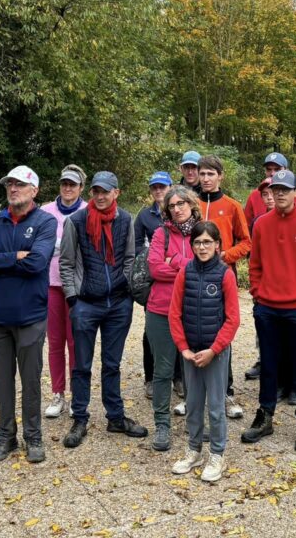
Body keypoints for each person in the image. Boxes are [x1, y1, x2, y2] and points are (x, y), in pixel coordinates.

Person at [0, 166, 57, 463]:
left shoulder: (45, 222)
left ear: (34, 190)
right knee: (1, 380)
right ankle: (5, 435)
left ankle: (33, 436)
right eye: (9, 183)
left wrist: (0, 258)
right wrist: (15, 255)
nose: (13, 189)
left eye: (20, 184)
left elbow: (37, 263)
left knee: (31, 381)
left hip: (31, 315)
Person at [59, 171, 146, 447]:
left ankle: (115, 417)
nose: (99, 196)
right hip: (86, 303)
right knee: (81, 365)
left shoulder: (125, 220)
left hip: (119, 303)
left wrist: (129, 291)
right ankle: (80, 417)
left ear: (115, 193)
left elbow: (130, 258)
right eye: (96, 191)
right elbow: (66, 262)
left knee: (112, 364)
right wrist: (73, 298)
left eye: (104, 191)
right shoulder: (77, 221)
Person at [242, 170, 296, 453]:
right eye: (275, 189)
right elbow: (256, 265)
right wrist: (257, 295)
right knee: (269, 365)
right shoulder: (261, 224)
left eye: (285, 190)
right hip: (267, 307)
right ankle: (265, 416)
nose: (279, 194)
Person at [169, 222, 240, 483]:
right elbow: (174, 313)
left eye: (208, 242)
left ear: (217, 245)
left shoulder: (225, 275)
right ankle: (194, 450)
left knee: (216, 407)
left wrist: (214, 349)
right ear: (192, 245)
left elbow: (232, 319)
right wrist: (184, 348)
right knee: (194, 405)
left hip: (215, 352)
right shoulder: (185, 272)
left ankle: (217, 453)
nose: (202, 247)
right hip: (191, 352)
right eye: (198, 242)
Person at [196, 154, 249, 419]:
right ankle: (195, 395)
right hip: (194, 277)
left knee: (222, 332)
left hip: (221, 276)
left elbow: (246, 241)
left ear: (220, 176)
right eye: (202, 174)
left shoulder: (231, 206)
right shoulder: (191, 203)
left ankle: (226, 393)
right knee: (195, 329)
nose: (205, 179)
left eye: (210, 174)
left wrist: (226, 256)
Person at [145, 185, 198, 451]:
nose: (176, 209)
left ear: (191, 204)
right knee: (163, 371)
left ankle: (194, 422)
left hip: (193, 310)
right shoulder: (160, 233)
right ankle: (162, 425)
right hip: (161, 309)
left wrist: (173, 261)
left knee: (193, 369)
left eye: (181, 204)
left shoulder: (204, 231)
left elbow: (208, 265)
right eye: (172, 206)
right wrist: (187, 264)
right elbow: (154, 268)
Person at [40, 165, 87, 419]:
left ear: (81, 188)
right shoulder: (45, 212)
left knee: (76, 342)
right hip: (50, 284)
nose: (68, 188)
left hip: (77, 286)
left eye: (73, 184)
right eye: (64, 184)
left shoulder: (87, 211)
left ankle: (78, 394)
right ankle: (58, 393)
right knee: (55, 342)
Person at [134, 172, 177, 400]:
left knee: (180, 328)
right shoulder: (144, 216)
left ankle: (177, 377)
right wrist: (157, 258)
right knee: (151, 330)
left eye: (162, 187)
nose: (158, 191)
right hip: (153, 282)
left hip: (177, 280)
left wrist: (169, 259)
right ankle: (151, 378)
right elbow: (138, 248)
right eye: (154, 188)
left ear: (171, 187)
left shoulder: (180, 211)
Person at [243, 152, 296, 232]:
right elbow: (246, 229)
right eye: (269, 169)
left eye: (277, 169)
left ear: (286, 170)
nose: (272, 173)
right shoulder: (254, 196)